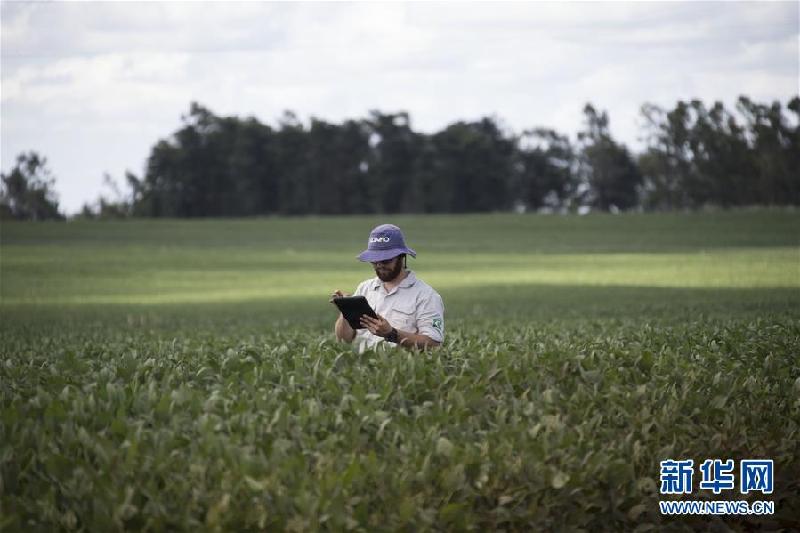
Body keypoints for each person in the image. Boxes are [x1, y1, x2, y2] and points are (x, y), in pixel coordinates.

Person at [331, 223, 445, 351]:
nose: (379, 265)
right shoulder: (364, 288)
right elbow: (343, 340)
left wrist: (392, 334)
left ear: (402, 257)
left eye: (385, 260)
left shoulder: (426, 296)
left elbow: (433, 344)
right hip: (361, 368)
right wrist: (345, 311)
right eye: (374, 260)